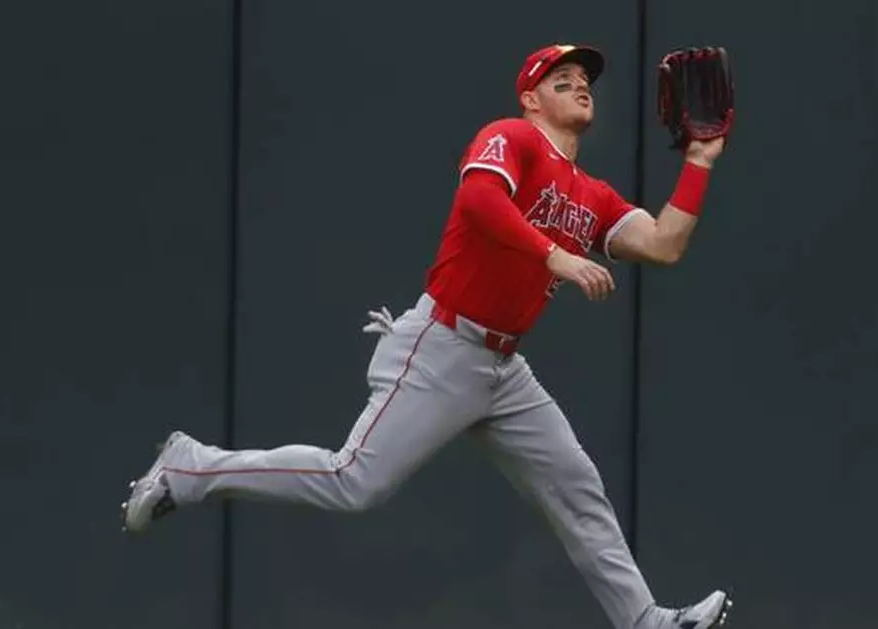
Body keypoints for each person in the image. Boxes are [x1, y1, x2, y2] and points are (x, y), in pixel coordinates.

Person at [121, 43, 732, 629]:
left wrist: (698, 162)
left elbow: (662, 243)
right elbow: (477, 199)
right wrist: (556, 257)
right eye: (559, 78)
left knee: (578, 488)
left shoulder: (588, 195)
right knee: (353, 482)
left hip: (503, 369)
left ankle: (645, 620)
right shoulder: (513, 137)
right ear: (530, 98)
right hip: (442, 344)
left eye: (585, 79)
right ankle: (191, 468)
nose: (578, 84)